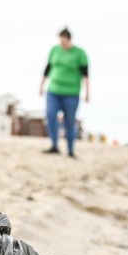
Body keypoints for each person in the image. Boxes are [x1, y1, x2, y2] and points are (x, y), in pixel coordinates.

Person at [38, 27, 89, 157]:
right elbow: (47, 68)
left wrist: (88, 92)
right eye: (60, 40)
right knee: (50, 116)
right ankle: (54, 146)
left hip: (71, 93)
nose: (62, 43)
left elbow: (85, 75)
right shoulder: (54, 50)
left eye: (63, 40)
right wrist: (41, 86)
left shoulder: (79, 53)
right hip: (53, 90)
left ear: (68, 39)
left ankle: (71, 150)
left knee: (69, 122)